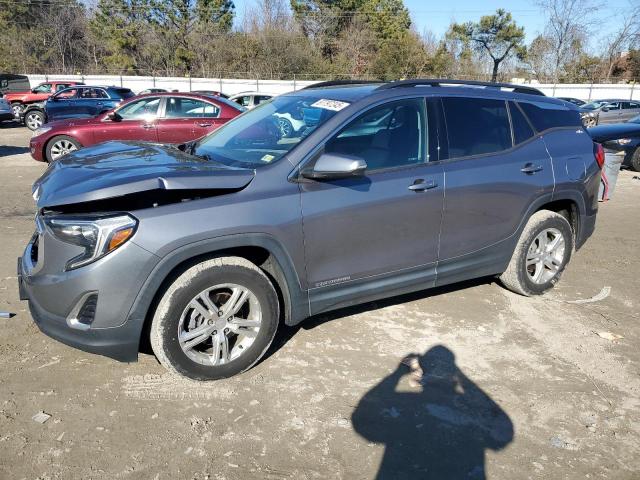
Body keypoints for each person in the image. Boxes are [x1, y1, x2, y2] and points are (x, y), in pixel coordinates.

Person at [352, 346, 513, 480]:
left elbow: (360, 420)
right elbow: (502, 434)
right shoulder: (459, 408)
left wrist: (397, 374)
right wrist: (459, 375)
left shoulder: (405, 400)